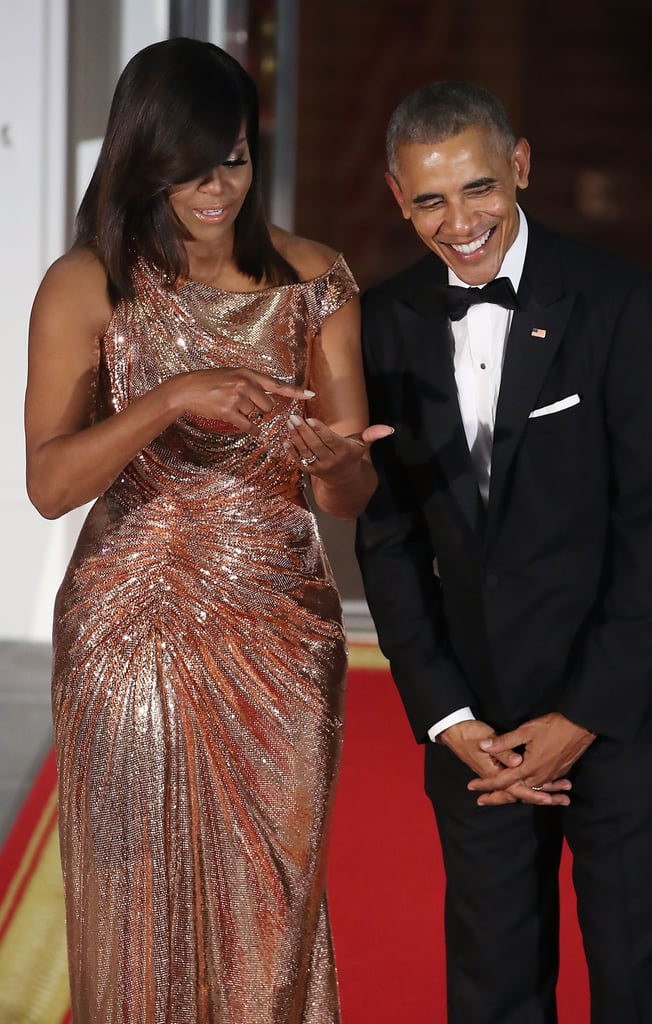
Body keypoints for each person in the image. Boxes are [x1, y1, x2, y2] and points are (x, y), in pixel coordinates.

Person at [25, 37, 390, 1024]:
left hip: (280, 623)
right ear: (144, 160)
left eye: (231, 159)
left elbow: (346, 494)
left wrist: (336, 460)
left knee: (273, 908)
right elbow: (50, 484)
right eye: (189, 168)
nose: (215, 187)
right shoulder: (86, 285)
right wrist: (171, 396)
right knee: (135, 900)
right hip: (129, 625)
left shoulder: (315, 279)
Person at [356, 81, 652, 1024]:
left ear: (520, 165)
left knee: (638, 988)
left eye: (478, 187)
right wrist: (445, 715)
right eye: (430, 198)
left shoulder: (623, 303)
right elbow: (388, 541)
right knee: (492, 987)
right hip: (478, 726)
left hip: (624, 713)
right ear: (396, 195)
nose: (458, 221)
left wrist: (582, 715)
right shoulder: (382, 322)